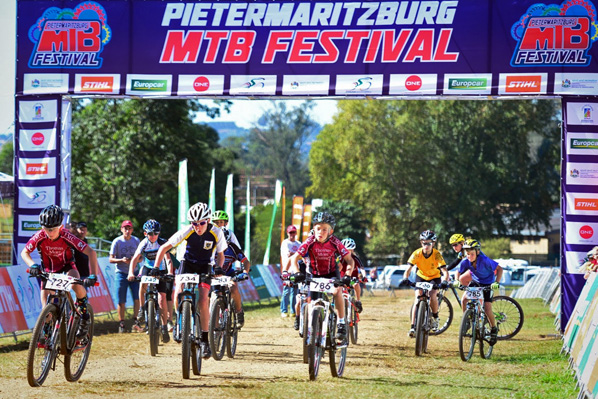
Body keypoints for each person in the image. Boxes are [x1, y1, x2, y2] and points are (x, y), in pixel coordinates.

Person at [153, 202, 227, 359]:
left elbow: (221, 255)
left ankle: (206, 340)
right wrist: (155, 267)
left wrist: (219, 268)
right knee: (178, 289)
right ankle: (180, 323)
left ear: (207, 221)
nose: (198, 227)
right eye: (194, 223)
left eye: (201, 223)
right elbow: (163, 248)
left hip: (205, 265)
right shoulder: (187, 231)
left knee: (203, 299)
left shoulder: (216, 233)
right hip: (187, 264)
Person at [21, 205, 100, 339]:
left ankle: (84, 315)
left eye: (52, 229)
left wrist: (93, 275)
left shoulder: (67, 236)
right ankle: (47, 336)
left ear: (60, 227)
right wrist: (33, 265)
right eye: (45, 228)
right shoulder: (40, 236)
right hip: (48, 271)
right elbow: (25, 252)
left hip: (67, 267)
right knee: (45, 309)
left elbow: (91, 253)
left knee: (75, 282)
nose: (48, 232)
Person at [289, 212, 354, 342]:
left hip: (331, 272)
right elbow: (294, 259)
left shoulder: (335, 242)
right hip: (314, 274)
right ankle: (311, 327)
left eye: (325, 229)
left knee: (337, 291)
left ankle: (341, 323)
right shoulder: (310, 241)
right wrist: (297, 273)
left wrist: (347, 275)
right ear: (313, 229)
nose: (321, 232)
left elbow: (350, 260)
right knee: (312, 303)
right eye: (318, 229)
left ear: (331, 231)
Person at [127, 219, 173, 342]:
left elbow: (168, 260)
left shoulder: (162, 243)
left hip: (161, 270)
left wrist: (169, 273)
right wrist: (131, 272)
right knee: (142, 284)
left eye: (156, 233)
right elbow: (135, 258)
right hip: (147, 268)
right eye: (150, 234)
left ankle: (164, 326)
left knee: (162, 298)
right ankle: (142, 309)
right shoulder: (143, 243)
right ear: (145, 234)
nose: (153, 236)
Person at [454, 239, 503, 345]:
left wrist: (497, 282)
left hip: (488, 283)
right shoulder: (466, 261)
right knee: (464, 300)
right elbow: (458, 272)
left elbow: (500, 269)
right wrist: (457, 281)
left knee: (487, 307)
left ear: (477, 252)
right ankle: (467, 321)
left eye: (472, 254)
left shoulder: (485, 260)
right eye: (467, 254)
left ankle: (493, 329)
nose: (469, 256)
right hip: (475, 281)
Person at [402, 230, 449, 338]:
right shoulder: (417, 253)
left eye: (428, 243)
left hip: (434, 277)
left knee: (432, 296)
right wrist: (405, 278)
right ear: (421, 243)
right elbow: (408, 269)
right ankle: (413, 326)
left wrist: (445, 281)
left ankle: (435, 317)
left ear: (433, 243)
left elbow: (445, 271)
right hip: (421, 276)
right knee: (417, 298)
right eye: (424, 243)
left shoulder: (437, 254)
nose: (426, 245)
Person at [109, 220, 141, 333]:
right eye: (125, 228)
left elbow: (141, 258)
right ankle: (121, 323)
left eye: (129, 228)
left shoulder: (136, 241)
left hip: (135, 272)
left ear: (132, 230)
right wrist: (121, 260)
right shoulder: (117, 241)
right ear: (121, 229)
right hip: (121, 273)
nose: (127, 231)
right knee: (121, 300)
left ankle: (136, 320)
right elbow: (111, 259)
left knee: (137, 298)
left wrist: (134, 260)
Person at [220, 227, 251, 327]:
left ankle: (239, 312)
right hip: (213, 274)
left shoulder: (233, 248)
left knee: (233, 288)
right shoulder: (211, 247)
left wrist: (245, 272)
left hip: (228, 273)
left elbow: (246, 262)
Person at [280, 225, 301, 321]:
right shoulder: (285, 243)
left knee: (294, 291)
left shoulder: (299, 243)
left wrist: (296, 255)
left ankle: (293, 311)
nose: (292, 235)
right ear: (287, 233)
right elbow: (289, 254)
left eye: (294, 232)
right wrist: (296, 254)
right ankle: (284, 310)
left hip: (295, 270)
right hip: (287, 270)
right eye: (290, 233)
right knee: (286, 291)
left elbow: (301, 256)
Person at [340, 238, 364, 313]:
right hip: (342, 279)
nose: (347, 252)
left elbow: (362, 268)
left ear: (352, 250)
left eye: (349, 250)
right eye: (345, 250)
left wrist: (364, 276)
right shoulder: (339, 258)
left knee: (356, 284)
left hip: (352, 280)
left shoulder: (355, 258)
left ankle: (358, 300)